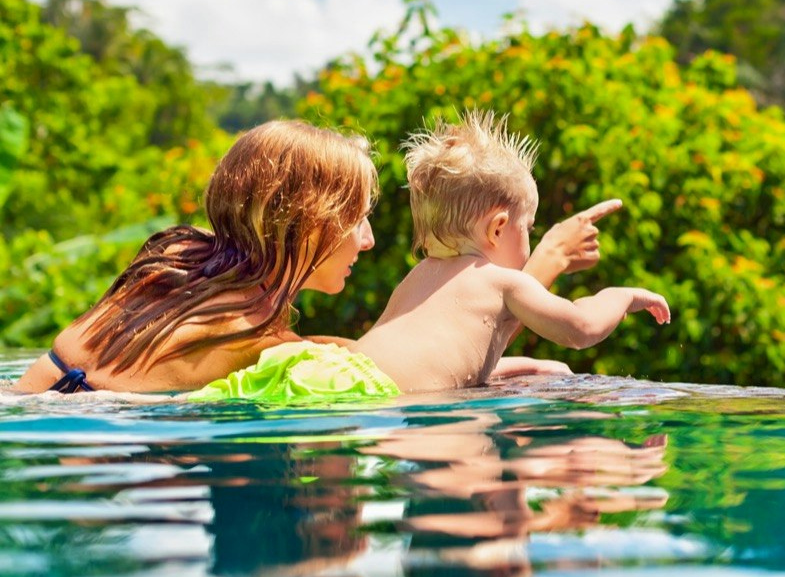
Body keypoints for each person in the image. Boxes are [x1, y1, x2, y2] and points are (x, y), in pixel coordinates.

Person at [11, 119, 622, 395]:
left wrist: (499, 368)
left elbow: (384, 359)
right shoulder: (247, 332)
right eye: (356, 220)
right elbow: (394, 377)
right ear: (310, 224)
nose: (369, 240)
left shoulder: (188, 271)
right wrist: (539, 268)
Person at [196, 110, 669, 400]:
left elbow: (435, 364)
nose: (528, 241)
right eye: (528, 228)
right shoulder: (501, 282)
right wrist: (620, 295)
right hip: (370, 396)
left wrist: (528, 365)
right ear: (498, 227)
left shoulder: (422, 276)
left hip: (330, 373)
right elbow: (579, 329)